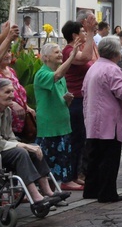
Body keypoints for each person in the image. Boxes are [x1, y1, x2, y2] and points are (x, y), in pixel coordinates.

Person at [82, 35, 122, 203]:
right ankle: (107, 193)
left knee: (94, 157)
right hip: (109, 120)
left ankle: (91, 190)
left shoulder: (93, 67)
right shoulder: (112, 69)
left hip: (94, 118)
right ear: (115, 52)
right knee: (109, 158)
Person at [0, 79, 66, 213]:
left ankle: (47, 190)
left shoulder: (6, 111)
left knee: (35, 148)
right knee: (21, 152)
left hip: (5, 148)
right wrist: (22, 146)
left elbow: (9, 135)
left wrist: (24, 145)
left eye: (12, 91)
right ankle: (35, 196)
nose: (12, 95)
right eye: (7, 92)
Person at [35, 40, 83, 191]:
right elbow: (57, 74)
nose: (60, 54)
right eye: (56, 52)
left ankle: (56, 191)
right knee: (48, 162)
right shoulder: (42, 74)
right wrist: (72, 56)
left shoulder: (61, 76)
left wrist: (68, 100)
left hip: (63, 124)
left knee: (62, 161)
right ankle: (46, 192)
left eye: (60, 52)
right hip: (49, 126)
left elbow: (62, 99)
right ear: (46, 57)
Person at [62, 14, 98, 186]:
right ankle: (70, 176)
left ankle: (78, 174)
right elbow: (86, 58)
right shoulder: (69, 51)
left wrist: (90, 35)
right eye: (82, 31)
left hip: (83, 98)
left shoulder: (78, 47)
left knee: (82, 138)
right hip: (75, 99)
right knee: (76, 138)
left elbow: (94, 59)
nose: (85, 33)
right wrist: (90, 34)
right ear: (75, 35)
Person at [0, 49, 34, 139]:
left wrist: (27, 107)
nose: (8, 55)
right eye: (4, 52)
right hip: (7, 120)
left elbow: (19, 92)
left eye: (9, 51)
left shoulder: (11, 70)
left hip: (21, 120)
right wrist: (12, 104)